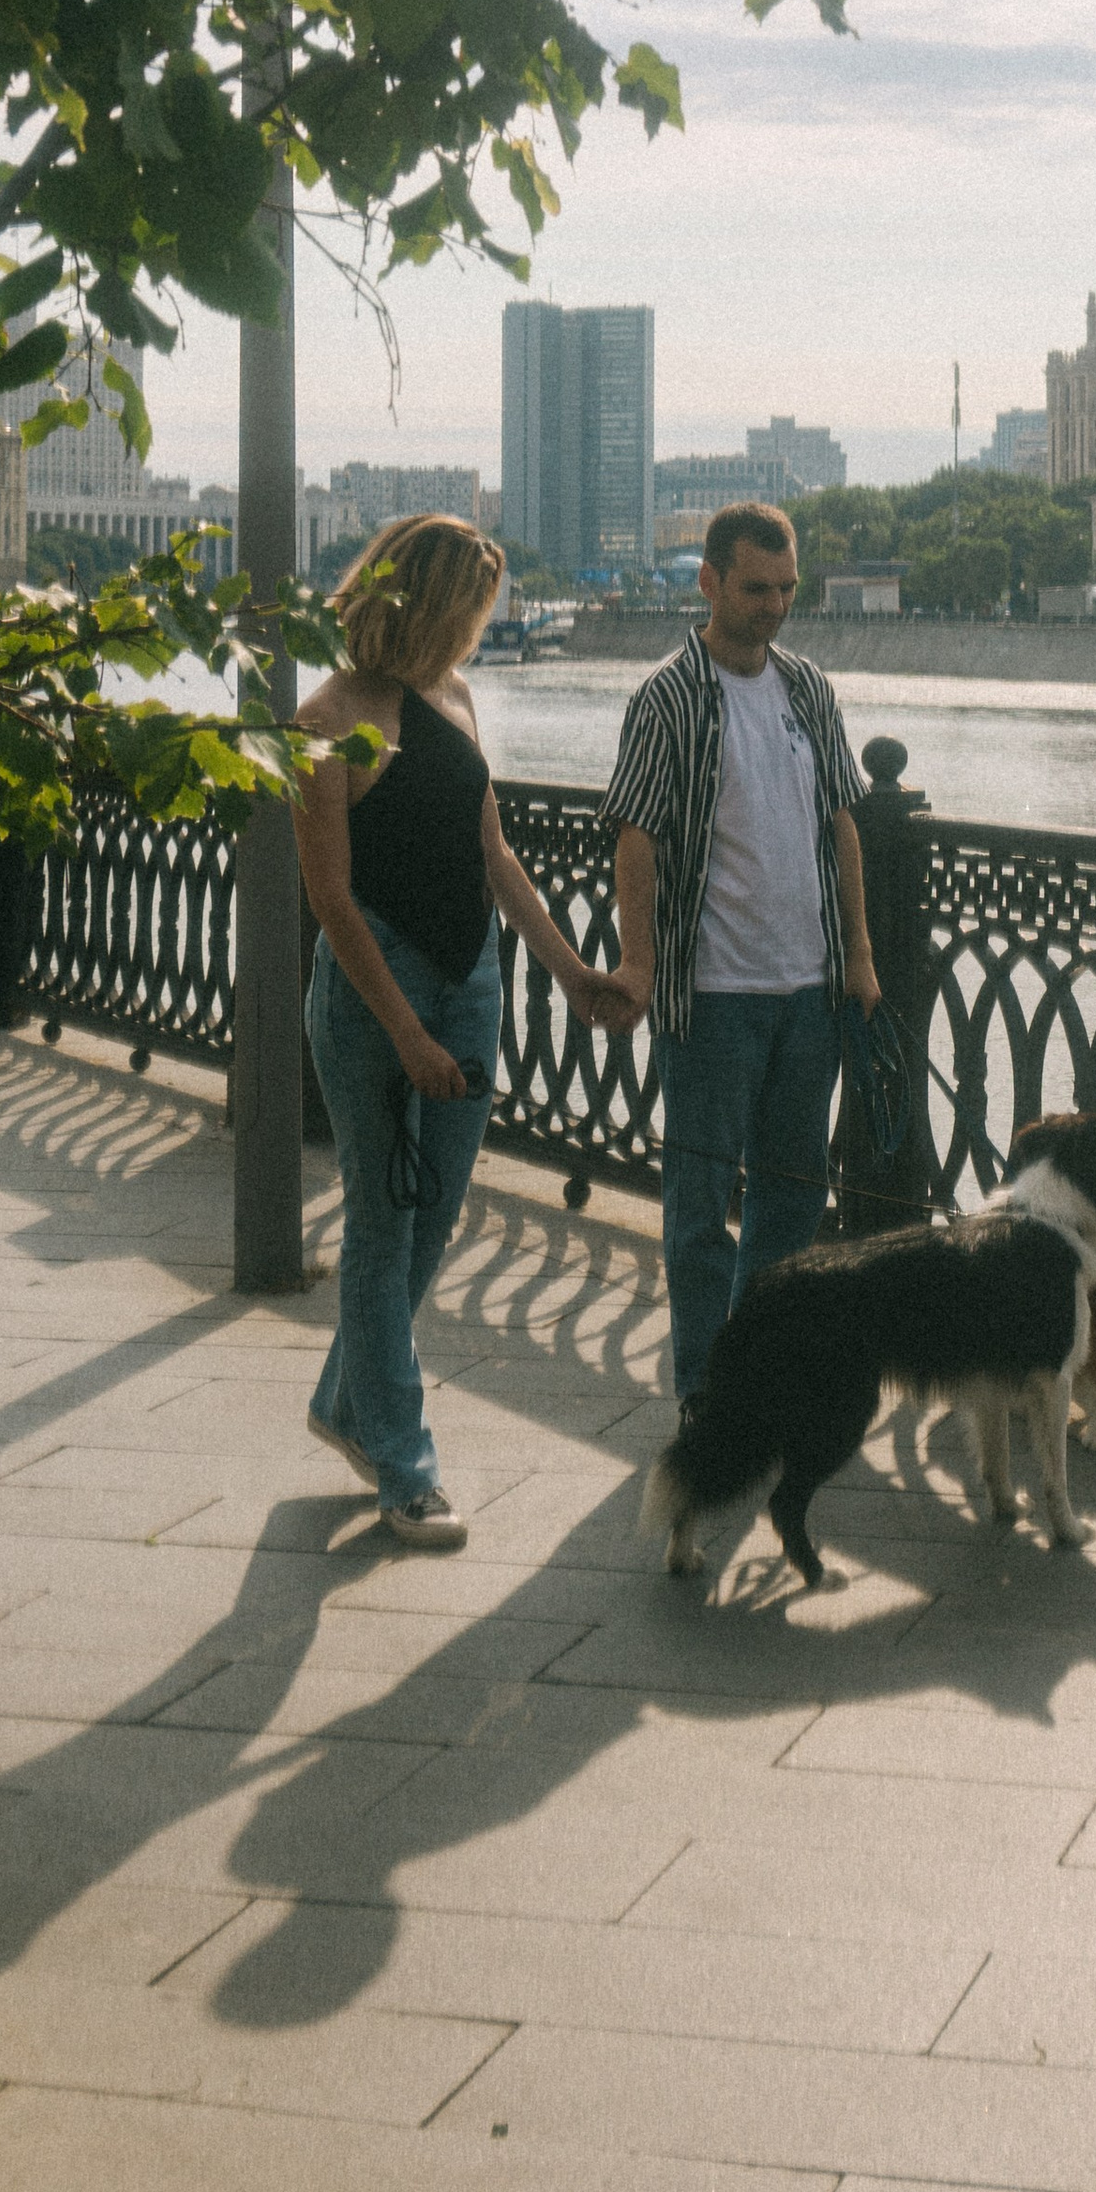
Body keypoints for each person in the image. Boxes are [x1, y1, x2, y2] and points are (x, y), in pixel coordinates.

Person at [292, 512, 609, 1548]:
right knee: (382, 1223)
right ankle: (406, 1470)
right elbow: (332, 902)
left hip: (472, 979)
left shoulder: (456, 700)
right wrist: (405, 1037)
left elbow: (495, 856)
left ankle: (348, 1399)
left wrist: (569, 973)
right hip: (370, 987)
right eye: (467, 613)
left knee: (433, 1220)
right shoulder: (325, 720)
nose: (476, 634)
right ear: (420, 606)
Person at [598, 501, 878, 1420]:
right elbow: (633, 838)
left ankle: (760, 1373)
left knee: (793, 1210)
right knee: (699, 1213)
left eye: (788, 588)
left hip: (809, 995)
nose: (776, 606)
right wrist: (637, 965)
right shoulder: (669, 697)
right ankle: (702, 1388)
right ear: (710, 581)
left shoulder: (807, 687)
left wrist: (861, 957)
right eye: (757, 589)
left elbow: (844, 821)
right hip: (712, 998)